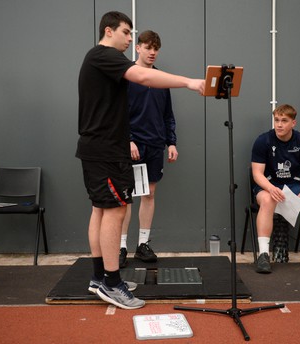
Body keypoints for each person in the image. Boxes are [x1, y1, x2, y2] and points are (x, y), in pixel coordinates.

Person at [76, 11, 205, 309]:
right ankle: (111, 282)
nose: (130, 39)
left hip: (99, 149)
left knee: (101, 210)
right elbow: (145, 76)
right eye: (126, 32)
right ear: (109, 31)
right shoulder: (103, 55)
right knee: (115, 211)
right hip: (106, 150)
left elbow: (147, 80)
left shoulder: (102, 61)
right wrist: (189, 82)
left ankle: (99, 278)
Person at [118, 30, 177, 267]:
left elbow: (168, 114)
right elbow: (118, 113)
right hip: (131, 145)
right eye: (148, 47)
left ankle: (142, 245)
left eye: (156, 48)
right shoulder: (127, 76)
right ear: (138, 48)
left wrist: (171, 142)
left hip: (154, 144)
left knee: (149, 193)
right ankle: (121, 246)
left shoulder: (161, 79)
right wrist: (128, 139)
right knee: (126, 197)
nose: (152, 52)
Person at [251, 104, 300, 274]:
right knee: (268, 200)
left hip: (293, 186)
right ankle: (263, 255)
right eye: (276, 120)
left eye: (284, 120)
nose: (279, 124)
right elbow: (257, 174)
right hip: (267, 186)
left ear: (293, 123)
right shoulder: (263, 140)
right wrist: (270, 188)